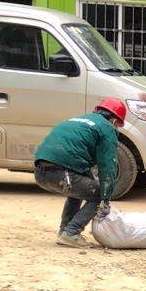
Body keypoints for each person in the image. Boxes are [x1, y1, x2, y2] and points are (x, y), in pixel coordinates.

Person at [32, 98, 126, 248]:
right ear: (114, 120)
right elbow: (107, 166)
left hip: (40, 172)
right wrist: (106, 198)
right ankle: (71, 233)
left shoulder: (79, 120)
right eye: (118, 125)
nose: (117, 128)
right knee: (97, 195)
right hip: (63, 174)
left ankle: (64, 232)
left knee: (81, 189)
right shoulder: (107, 128)